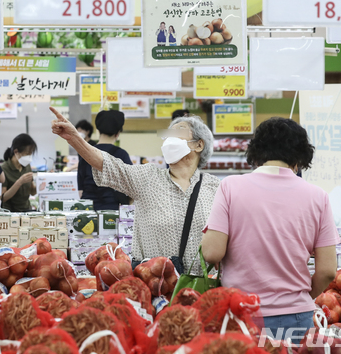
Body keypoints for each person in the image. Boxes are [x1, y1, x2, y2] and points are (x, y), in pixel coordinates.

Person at [201, 118, 339, 342]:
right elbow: (328, 271)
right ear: (301, 157)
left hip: (241, 314)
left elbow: (211, 253)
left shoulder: (230, 186)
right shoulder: (318, 196)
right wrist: (299, 297)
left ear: (256, 153)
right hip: (295, 317)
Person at [50, 107, 219, 274]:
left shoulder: (215, 188)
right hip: (155, 287)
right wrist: (74, 138)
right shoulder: (148, 177)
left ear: (199, 145)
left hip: (201, 288)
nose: (169, 138)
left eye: (179, 131)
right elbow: (107, 165)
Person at [78, 110, 132, 211]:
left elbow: (80, 191)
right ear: (118, 133)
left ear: (98, 131)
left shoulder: (85, 154)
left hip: (88, 211)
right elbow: (131, 188)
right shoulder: (122, 155)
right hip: (113, 211)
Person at [1, 134, 38, 213]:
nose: (29, 157)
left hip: (27, 210)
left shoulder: (27, 166)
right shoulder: (4, 169)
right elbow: (3, 197)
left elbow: (32, 192)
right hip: (9, 212)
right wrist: (19, 182)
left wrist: (43, 182)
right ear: (16, 151)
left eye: (31, 154)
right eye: (27, 153)